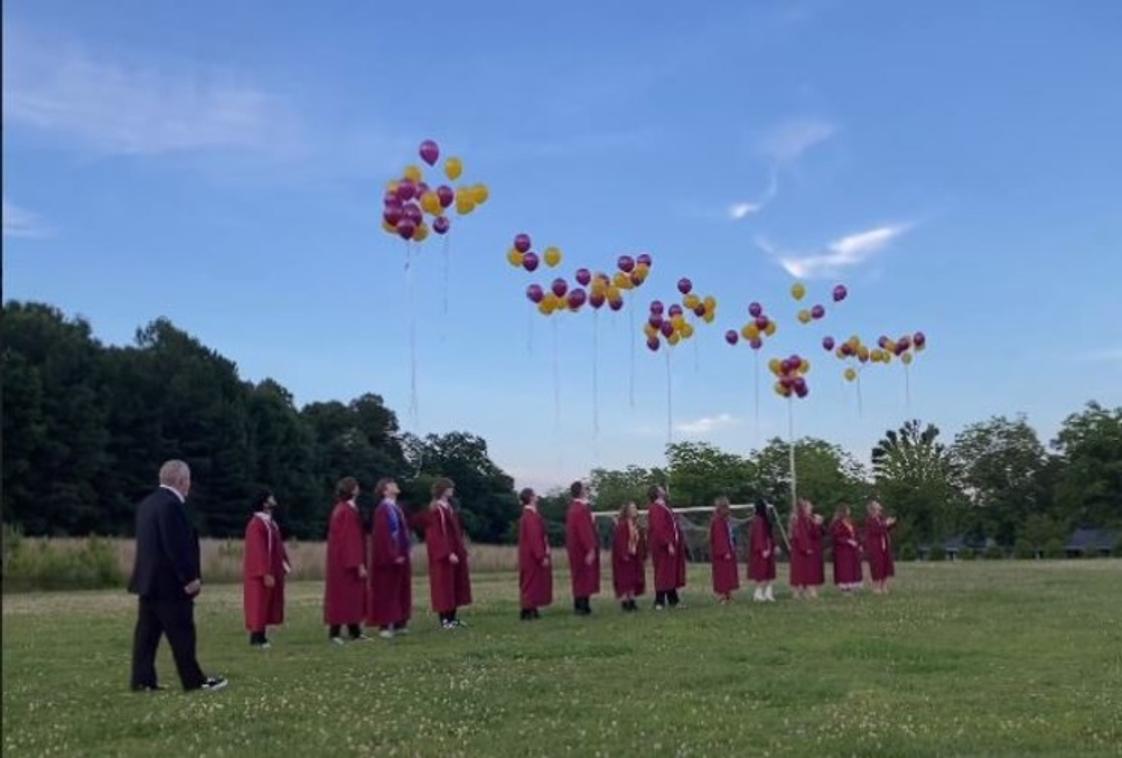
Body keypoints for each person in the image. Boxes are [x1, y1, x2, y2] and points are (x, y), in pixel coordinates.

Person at [128, 460, 226, 692]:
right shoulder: (172, 506)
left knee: (146, 636)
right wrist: (189, 577)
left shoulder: (147, 504)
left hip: (148, 582)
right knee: (182, 633)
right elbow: (176, 546)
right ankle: (194, 681)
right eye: (188, 480)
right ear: (182, 481)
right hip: (170, 584)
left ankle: (142, 680)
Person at [418, 478, 472, 629]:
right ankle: (445, 620)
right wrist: (447, 553)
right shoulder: (436, 510)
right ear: (443, 490)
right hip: (443, 556)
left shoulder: (448, 507)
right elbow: (436, 535)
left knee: (454, 585)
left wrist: (461, 550)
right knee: (443, 587)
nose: (452, 490)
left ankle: (453, 618)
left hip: (455, 552)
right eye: (449, 487)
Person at [243, 489, 290, 648]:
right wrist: (265, 572)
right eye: (271, 497)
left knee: (266, 604)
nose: (274, 499)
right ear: (264, 503)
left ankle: (261, 636)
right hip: (259, 573)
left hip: (271, 570)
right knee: (258, 604)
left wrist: (283, 565)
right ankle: (257, 638)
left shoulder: (270, 523)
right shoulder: (256, 524)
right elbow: (258, 550)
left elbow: (277, 548)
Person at [324, 477, 368, 644]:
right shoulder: (345, 511)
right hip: (344, 563)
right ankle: (334, 633)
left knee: (351, 597)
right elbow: (350, 539)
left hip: (342, 560)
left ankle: (354, 630)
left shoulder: (346, 509)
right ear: (352, 490)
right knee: (341, 596)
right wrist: (358, 563)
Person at [367, 478, 412, 639]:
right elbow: (383, 537)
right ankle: (384, 625)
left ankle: (400, 622)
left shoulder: (396, 508)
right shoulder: (383, 510)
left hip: (401, 555)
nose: (396, 485)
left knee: (400, 590)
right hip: (389, 558)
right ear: (385, 491)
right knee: (386, 590)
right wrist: (392, 556)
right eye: (392, 485)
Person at [647, 485, 686, 610]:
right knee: (663, 572)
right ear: (657, 493)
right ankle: (659, 601)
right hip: (662, 547)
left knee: (669, 572)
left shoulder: (664, 506)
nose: (664, 490)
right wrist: (668, 543)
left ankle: (673, 599)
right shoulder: (656, 508)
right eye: (661, 489)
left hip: (671, 544)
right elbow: (659, 528)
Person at [565, 481, 600, 615]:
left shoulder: (574, 508)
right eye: (585, 488)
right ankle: (582, 606)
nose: (587, 490)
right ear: (580, 491)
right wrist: (590, 548)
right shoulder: (580, 509)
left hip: (576, 548)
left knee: (580, 577)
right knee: (584, 577)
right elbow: (584, 530)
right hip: (582, 549)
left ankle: (581, 604)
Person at [517, 488, 553, 620]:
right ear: (531, 498)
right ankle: (526, 610)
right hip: (531, 556)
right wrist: (541, 555)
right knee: (531, 582)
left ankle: (532, 608)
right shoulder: (530, 516)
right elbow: (535, 538)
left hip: (530, 555)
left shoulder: (530, 515)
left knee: (534, 582)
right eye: (534, 495)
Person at [611, 501, 645, 612]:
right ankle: (625, 602)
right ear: (627, 511)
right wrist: (624, 553)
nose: (635, 510)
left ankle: (632, 600)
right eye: (632, 508)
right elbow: (620, 541)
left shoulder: (635, 524)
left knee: (634, 578)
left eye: (635, 508)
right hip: (625, 556)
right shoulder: (623, 524)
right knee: (625, 579)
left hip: (634, 555)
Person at [789, 499, 825, 599]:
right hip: (800, 549)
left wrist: (817, 524)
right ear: (804, 508)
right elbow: (801, 535)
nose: (811, 509)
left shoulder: (808, 519)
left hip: (807, 548)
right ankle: (796, 593)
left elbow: (814, 534)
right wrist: (805, 547)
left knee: (806, 571)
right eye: (809, 507)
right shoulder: (800, 519)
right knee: (798, 571)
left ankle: (805, 592)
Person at [709, 496, 740, 604]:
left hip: (729, 550)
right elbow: (719, 538)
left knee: (729, 574)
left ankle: (728, 595)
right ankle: (722, 596)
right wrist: (725, 551)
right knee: (722, 575)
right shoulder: (717, 521)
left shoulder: (725, 520)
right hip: (721, 553)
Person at [865, 500, 898, 594]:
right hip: (875, 547)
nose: (880, 506)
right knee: (877, 566)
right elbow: (876, 530)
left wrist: (891, 523)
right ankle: (876, 587)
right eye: (877, 505)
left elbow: (885, 529)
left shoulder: (880, 518)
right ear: (873, 509)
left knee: (886, 565)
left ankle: (884, 586)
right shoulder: (869, 520)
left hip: (885, 545)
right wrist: (885, 524)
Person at [748, 499, 777, 602]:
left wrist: (773, 546)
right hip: (762, 551)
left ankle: (768, 592)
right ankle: (758, 593)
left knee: (769, 572)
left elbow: (769, 535)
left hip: (768, 549)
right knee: (761, 573)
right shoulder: (758, 520)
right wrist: (762, 549)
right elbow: (758, 537)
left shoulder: (765, 520)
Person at [830, 504, 863, 593]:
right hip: (843, 550)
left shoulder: (850, 521)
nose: (849, 511)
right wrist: (847, 541)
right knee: (845, 568)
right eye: (848, 510)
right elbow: (836, 536)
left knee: (853, 567)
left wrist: (859, 544)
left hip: (853, 549)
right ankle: (845, 588)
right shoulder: (837, 523)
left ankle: (853, 586)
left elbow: (856, 533)